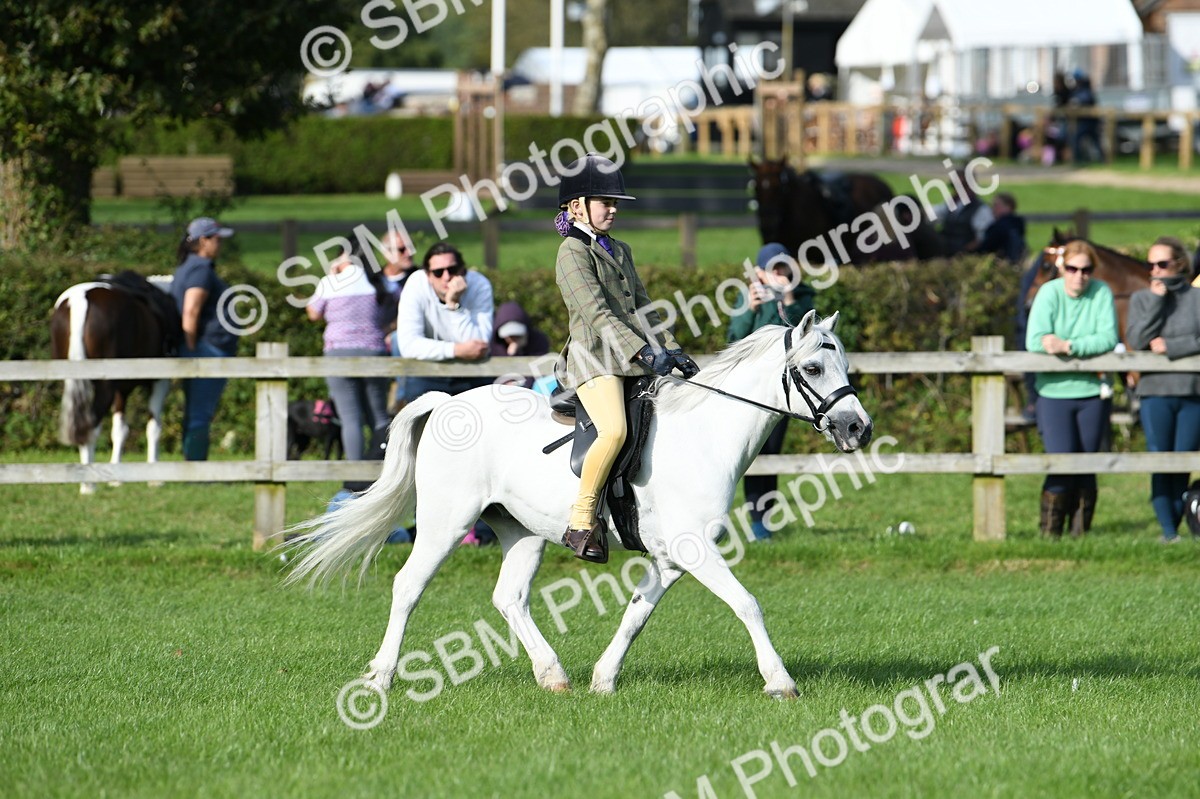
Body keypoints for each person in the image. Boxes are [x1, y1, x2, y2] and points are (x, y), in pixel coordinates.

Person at [553, 153, 700, 562]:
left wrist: (671, 348)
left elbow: (643, 307)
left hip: (633, 359)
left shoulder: (620, 249)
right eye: (606, 202)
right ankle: (581, 520)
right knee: (614, 430)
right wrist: (641, 350)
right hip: (594, 360)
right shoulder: (571, 252)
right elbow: (596, 312)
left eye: (616, 203)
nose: (614, 209)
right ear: (577, 205)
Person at [1026, 240, 1119, 539]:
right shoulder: (1048, 293)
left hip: (1093, 391)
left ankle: (1079, 536)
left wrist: (1069, 346)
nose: (1079, 275)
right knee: (1061, 462)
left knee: (1086, 464)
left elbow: (1107, 338)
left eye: (1086, 269)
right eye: (1073, 269)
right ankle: (1050, 535)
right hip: (1053, 393)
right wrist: (1073, 348)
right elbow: (1035, 340)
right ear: (1062, 269)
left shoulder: (1101, 292)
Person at [727, 242, 816, 541]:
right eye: (773, 269)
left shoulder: (803, 296)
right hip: (751, 392)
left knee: (771, 455)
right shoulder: (750, 296)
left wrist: (789, 296)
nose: (779, 274)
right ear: (760, 273)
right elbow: (734, 339)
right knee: (743, 456)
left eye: (784, 268)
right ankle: (728, 517)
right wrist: (749, 308)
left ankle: (761, 522)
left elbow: (805, 336)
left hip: (784, 393)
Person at [1125, 236, 1200, 543]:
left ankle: (1180, 526)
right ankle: (1167, 531)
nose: (1155, 270)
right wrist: (1157, 301)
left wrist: (1173, 347)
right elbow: (1138, 339)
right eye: (1150, 265)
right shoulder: (1142, 299)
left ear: (1179, 264)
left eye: (1162, 264)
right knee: (1160, 460)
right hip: (1155, 391)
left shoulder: (1196, 299)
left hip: (1192, 391)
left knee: (1182, 461)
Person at [306, 236, 393, 461]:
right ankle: (384, 466)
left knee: (350, 418)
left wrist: (331, 275)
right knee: (379, 415)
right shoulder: (378, 281)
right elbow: (398, 309)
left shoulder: (331, 282)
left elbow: (313, 314)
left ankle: (354, 475)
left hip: (338, 353)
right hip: (374, 350)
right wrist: (382, 328)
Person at [171, 217, 238, 461]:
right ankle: (196, 469)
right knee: (200, 413)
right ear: (203, 241)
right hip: (207, 350)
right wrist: (192, 352)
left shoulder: (188, 267)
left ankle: (193, 464)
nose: (220, 244)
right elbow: (191, 311)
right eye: (217, 239)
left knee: (195, 412)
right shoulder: (200, 270)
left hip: (202, 348)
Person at [396, 242, 494, 398]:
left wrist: (454, 305)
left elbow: (478, 346)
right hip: (427, 372)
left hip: (472, 372)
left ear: (463, 271)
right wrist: (456, 350)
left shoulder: (480, 285)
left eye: (452, 270)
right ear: (428, 275)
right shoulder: (416, 284)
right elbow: (409, 345)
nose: (446, 277)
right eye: (438, 272)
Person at [489, 301, 551, 388]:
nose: (513, 339)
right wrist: (511, 355)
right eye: (510, 336)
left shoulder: (539, 341)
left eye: (517, 335)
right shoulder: (496, 346)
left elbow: (538, 371)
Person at [933, 169, 993, 257]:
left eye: (963, 185)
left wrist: (962, 252)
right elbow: (935, 216)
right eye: (954, 185)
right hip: (944, 251)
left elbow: (981, 239)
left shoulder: (981, 209)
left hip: (962, 256)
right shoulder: (951, 203)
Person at [978, 193, 1027, 264]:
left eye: (996, 205)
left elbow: (986, 248)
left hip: (1000, 264)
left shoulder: (1000, 226)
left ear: (1008, 207)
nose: (993, 209)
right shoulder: (1018, 223)